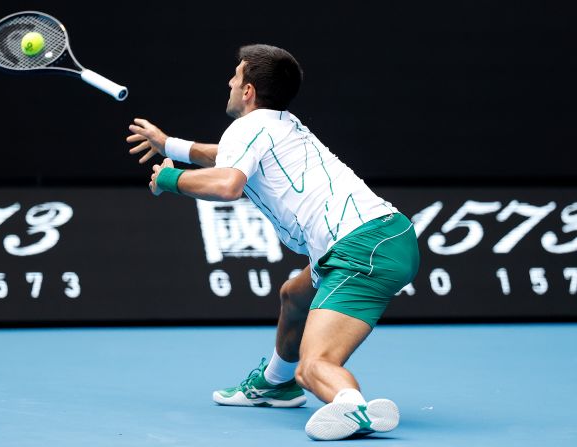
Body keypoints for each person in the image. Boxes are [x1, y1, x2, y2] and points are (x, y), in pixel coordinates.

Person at [126, 44, 419, 441]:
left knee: (313, 365)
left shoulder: (248, 127)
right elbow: (226, 157)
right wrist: (170, 145)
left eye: (235, 75)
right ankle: (274, 384)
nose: (229, 82)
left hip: (359, 247)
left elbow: (229, 183)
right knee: (294, 296)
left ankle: (352, 404)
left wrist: (169, 179)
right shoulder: (278, 125)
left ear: (247, 90)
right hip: (382, 236)